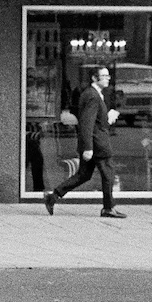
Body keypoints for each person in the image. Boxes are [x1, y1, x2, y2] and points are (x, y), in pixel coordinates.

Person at [44, 66, 126, 218]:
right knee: (108, 174)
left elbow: (93, 122)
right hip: (98, 144)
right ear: (94, 78)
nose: (108, 78)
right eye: (104, 75)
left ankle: (53, 196)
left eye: (108, 75)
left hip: (94, 142)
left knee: (83, 175)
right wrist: (88, 147)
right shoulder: (93, 96)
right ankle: (108, 208)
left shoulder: (93, 94)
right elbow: (86, 123)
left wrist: (108, 118)